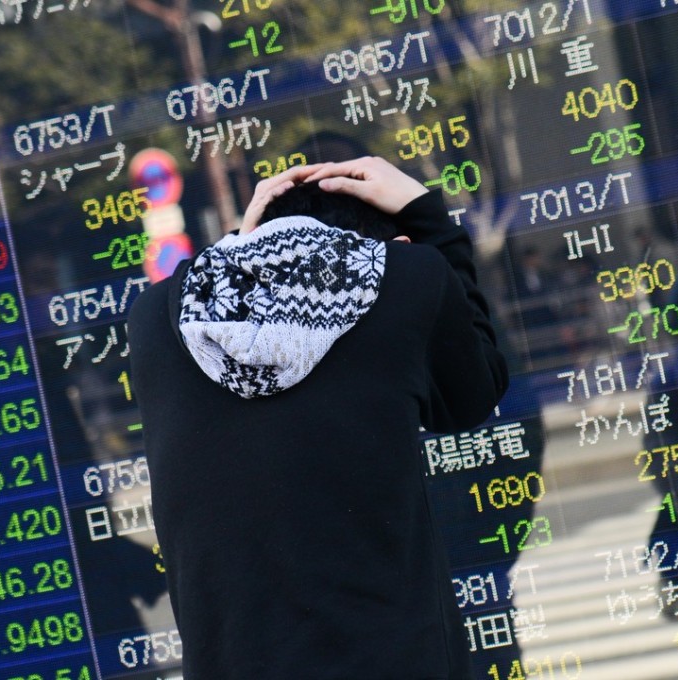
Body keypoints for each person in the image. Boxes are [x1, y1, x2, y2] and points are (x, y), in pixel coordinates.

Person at [126, 157, 508, 678]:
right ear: (384, 253)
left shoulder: (155, 319)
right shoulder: (403, 280)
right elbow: (472, 394)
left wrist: (245, 237)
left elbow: (247, 294)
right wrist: (428, 218)